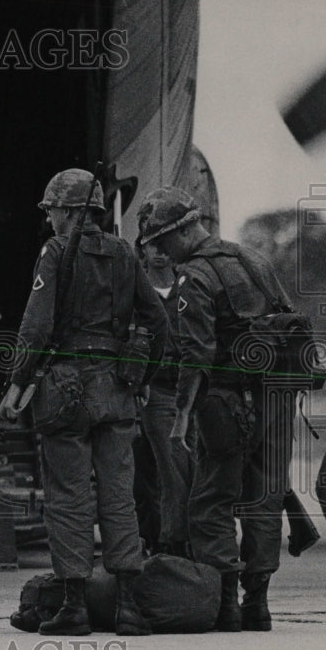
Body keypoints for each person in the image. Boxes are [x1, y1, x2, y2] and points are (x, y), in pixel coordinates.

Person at [0, 169, 168, 636]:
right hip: (116, 391)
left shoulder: (53, 254)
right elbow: (158, 321)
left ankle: (73, 607)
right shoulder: (124, 253)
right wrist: (142, 376)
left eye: (53, 209)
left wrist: (16, 386)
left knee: (68, 497)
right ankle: (128, 608)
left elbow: (35, 328)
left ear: (71, 211)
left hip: (65, 392)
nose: (50, 218)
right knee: (119, 497)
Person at [139, 185, 298, 632]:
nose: (163, 254)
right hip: (278, 398)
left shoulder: (196, 276)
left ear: (181, 232)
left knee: (211, 499)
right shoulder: (256, 261)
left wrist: (182, 419)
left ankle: (226, 603)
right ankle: (259, 605)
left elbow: (196, 355)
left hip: (227, 402)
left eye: (162, 242)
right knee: (265, 496)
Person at [134, 236, 195, 558]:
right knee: (168, 469)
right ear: (141, 248)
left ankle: (178, 541)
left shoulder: (190, 285)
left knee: (187, 467)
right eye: (150, 245)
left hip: (190, 388)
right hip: (152, 388)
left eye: (163, 245)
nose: (158, 253)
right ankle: (171, 544)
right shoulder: (134, 286)